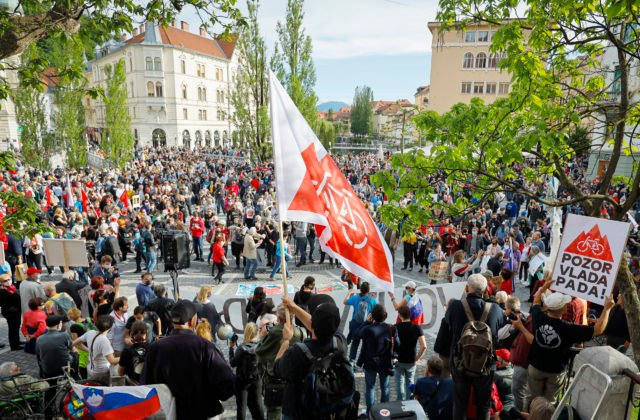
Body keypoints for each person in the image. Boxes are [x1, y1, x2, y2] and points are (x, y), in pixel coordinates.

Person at [141, 299, 236, 419]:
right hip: (200, 414)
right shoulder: (205, 347)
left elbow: (145, 385)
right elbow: (228, 384)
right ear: (193, 320)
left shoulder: (156, 348)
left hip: (168, 414)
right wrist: (214, 398)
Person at [526, 281, 614, 405]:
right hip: (555, 371)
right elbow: (598, 329)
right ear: (563, 309)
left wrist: (546, 285)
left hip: (535, 366)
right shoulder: (568, 329)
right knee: (548, 404)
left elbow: (535, 300)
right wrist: (607, 309)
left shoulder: (538, 317)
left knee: (530, 399)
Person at [274, 297, 356, 420]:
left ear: (312, 325)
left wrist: (286, 340)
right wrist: (294, 307)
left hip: (299, 412)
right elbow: (316, 325)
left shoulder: (296, 352)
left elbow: (276, 369)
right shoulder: (340, 343)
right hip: (329, 411)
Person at [444, 274, 507, 420]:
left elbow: (448, 322)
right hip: (485, 364)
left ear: (467, 288)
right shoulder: (496, 309)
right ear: (485, 290)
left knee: (459, 403)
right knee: (483, 404)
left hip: (460, 361)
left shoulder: (455, 306)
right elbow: (503, 323)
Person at [255, 304, 307, 420]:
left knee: (274, 412)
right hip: (294, 378)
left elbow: (259, 352)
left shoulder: (275, 332)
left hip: (275, 378)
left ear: (279, 318)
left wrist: (262, 336)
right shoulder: (301, 331)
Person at [357, 304, 399, 415]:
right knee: (385, 387)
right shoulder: (391, 328)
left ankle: (370, 411)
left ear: (372, 316)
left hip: (370, 362)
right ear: (385, 316)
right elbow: (398, 344)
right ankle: (384, 410)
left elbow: (358, 333)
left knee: (370, 387)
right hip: (385, 362)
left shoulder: (368, 329)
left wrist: (367, 322)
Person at [230, 322, 265, 420]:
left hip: (242, 381)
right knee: (258, 404)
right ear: (257, 332)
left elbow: (232, 363)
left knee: (241, 407)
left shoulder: (241, 348)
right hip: (257, 379)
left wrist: (231, 349)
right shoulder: (261, 346)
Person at [74, 315, 119, 384]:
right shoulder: (104, 340)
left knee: (92, 389)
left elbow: (75, 343)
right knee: (102, 391)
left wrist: (89, 350)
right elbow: (112, 360)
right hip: (101, 372)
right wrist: (125, 357)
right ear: (110, 328)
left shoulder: (90, 332)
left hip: (90, 369)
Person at [394, 305, 427, 401]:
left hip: (398, 360)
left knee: (399, 383)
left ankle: (399, 403)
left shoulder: (395, 327)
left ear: (400, 316)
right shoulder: (417, 328)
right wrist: (417, 359)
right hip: (411, 360)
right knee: (410, 383)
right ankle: (410, 404)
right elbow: (424, 346)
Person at [344, 281, 378, 363]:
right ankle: (361, 363)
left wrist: (349, 293)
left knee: (354, 344)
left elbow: (345, 301)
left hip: (356, 325)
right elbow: (376, 312)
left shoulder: (355, 298)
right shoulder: (373, 300)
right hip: (367, 326)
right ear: (368, 290)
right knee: (365, 345)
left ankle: (352, 361)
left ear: (360, 289)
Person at [67, 308, 96, 379]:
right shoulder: (89, 319)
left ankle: (86, 382)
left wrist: (87, 350)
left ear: (71, 318)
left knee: (84, 368)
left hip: (84, 350)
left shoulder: (74, 327)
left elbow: (76, 342)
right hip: (95, 344)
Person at [118, 320, 148, 384]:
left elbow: (120, 372)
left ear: (131, 333)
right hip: (148, 384)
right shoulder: (152, 348)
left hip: (132, 384)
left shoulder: (127, 350)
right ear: (146, 333)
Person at [0, 268, 22, 350]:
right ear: (2, 282)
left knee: (16, 327)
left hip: (17, 312)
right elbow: (4, 304)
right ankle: (14, 345)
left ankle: (17, 341)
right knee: (12, 329)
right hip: (11, 313)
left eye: (9, 279)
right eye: (6, 280)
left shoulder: (12, 287)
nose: (8, 281)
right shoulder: (3, 291)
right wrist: (12, 308)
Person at [494, 349, 515, 414]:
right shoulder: (513, 370)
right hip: (514, 406)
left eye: (497, 358)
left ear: (501, 361)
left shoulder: (497, 375)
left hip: (502, 410)